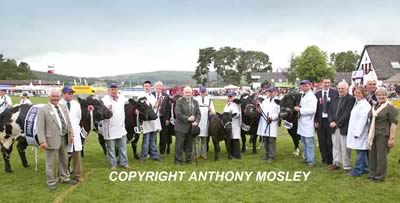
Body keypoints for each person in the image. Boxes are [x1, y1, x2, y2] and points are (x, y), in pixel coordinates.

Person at [37, 89, 76, 190]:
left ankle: (65, 177)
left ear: (60, 97)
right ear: (49, 97)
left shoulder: (63, 107)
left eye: (57, 96)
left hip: (65, 137)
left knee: (64, 158)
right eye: (53, 96)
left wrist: (71, 134)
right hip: (50, 139)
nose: (56, 98)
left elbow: (68, 122)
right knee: (50, 161)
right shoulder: (43, 109)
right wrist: (42, 141)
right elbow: (39, 127)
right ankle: (51, 181)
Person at [368, 87, 398, 182]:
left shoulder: (390, 107)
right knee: (372, 155)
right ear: (376, 96)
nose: (381, 96)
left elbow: (393, 124)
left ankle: (379, 176)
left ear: (386, 95)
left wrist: (391, 138)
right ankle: (372, 173)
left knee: (381, 156)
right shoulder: (374, 106)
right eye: (379, 95)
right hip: (373, 134)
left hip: (383, 134)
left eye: (383, 94)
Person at [101, 83, 130, 170]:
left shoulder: (122, 98)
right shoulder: (104, 100)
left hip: (121, 127)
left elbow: (131, 102)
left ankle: (124, 163)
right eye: (112, 89)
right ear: (109, 90)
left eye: (115, 89)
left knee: (123, 147)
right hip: (110, 127)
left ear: (118, 90)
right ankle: (113, 164)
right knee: (111, 148)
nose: (114, 91)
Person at [328, 81, 355, 172]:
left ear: (347, 89)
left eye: (342, 88)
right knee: (335, 145)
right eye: (339, 88)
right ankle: (336, 163)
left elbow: (347, 113)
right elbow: (330, 111)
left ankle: (347, 165)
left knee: (345, 147)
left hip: (343, 127)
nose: (340, 90)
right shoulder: (335, 98)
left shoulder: (351, 99)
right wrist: (331, 121)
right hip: (334, 127)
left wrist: (337, 123)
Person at [347, 86, 371, 177]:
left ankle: (357, 170)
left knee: (360, 151)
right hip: (355, 130)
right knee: (361, 151)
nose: (357, 94)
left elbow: (362, 120)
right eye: (356, 93)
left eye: (359, 93)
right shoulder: (357, 103)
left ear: (364, 94)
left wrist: (357, 133)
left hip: (360, 132)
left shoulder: (365, 105)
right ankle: (365, 168)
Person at [60, 86, 82, 182]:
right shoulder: (59, 104)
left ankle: (77, 175)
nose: (70, 95)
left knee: (76, 154)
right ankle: (63, 175)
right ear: (63, 94)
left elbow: (78, 117)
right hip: (63, 132)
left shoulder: (76, 104)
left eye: (71, 93)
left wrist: (74, 128)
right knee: (63, 155)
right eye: (68, 93)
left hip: (75, 132)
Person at [174, 86, 201, 165]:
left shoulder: (195, 102)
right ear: (183, 93)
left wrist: (196, 121)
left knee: (189, 145)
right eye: (186, 92)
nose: (188, 94)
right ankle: (178, 161)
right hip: (180, 127)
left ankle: (188, 159)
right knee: (179, 145)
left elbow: (198, 114)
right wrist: (188, 118)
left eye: (189, 92)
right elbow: (178, 114)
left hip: (191, 127)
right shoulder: (179, 101)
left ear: (192, 93)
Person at [315, 78, 338, 166]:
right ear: (321, 83)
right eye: (325, 83)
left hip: (330, 121)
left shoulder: (334, 93)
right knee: (321, 141)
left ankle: (331, 160)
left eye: (328, 83)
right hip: (320, 121)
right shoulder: (317, 94)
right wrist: (316, 120)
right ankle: (324, 159)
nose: (327, 84)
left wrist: (334, 120)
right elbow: (315, 109)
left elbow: (336, 107)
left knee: (330, 141)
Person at [295, 80, 318, 167]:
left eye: (306, 85)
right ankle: (306, 158)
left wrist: (300, 109)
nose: (304, 87)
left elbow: (313, 110)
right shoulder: (302, 95)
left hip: (308, 122)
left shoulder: (312, 97)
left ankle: (311, 161)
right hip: (302, 122)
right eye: (302, 86)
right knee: (303, 141)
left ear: (310, 85)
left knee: (309, 142)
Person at [138, 80, 161, 162]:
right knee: (146, 140)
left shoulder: (152, 96)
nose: (147, 87)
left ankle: (154, 155)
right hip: (146, 121)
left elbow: (154, 107)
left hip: (153, 120)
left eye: (148, 86)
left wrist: (157, 104)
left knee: (152, 139)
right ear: (143, 87)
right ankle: (143, 157)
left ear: (151, 87)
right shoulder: (141, 96)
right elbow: (141, 108)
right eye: (145, 86)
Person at [257, 87, 280, 162]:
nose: (270, 93)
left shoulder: (278, 101)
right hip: (264, 122)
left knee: (271, 140)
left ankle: (271, 156)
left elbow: (279, 113)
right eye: (269, 92)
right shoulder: (265, 101)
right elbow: (261, 110)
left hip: (272, 123)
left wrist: (272, 118)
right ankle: (267, 154)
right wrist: (258, 107)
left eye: (271, 92)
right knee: (265, 140)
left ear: (276, 92)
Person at [193, 86, 215, 160]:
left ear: (206, 92)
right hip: (197, 122)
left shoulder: (209, 100)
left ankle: (203, 154)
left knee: (204, 140)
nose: (203, 93)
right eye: (201, 92)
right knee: (196, 140)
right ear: (199, 92)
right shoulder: (195, 99)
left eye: (204, 92)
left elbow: (214, 113)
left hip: (205, 123)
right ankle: (196, 154)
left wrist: (210, 110)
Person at [153, 81, 171, 158]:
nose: (159, 87)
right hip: (153, 118)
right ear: (155, 87)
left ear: (162, 87)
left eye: (160, 86)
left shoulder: (166, 96)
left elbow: (168, 108)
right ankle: (152, 152)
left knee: (163, 135)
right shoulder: (151, 95)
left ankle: (162, 152)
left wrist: (167, 119)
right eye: (157, 86)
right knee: (153, 136)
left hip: (163, 118)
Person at [223, 91, 242, 159]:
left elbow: (237, 114)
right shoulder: (227, 104)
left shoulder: (235, 104)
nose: (230, 98)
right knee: (230, 139)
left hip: (234, 124)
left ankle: (237, 155)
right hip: (228, 124)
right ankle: (231, 153)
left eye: (231, 96)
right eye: (229, 96)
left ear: (234, 97)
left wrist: (231, 115)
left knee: (235, 139)